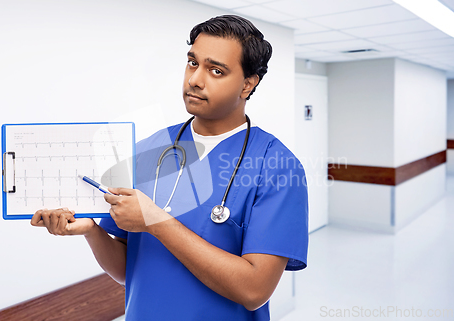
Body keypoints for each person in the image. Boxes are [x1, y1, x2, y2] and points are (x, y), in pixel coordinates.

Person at [31, 15, 308, 320]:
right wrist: (92, 233)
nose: (195, 80)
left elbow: (254, 291)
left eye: (216, 71)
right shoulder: (150, 149)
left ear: (247, 84)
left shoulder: (278, 167)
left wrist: (155, 221)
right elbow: (127, 269)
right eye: (193, 63)